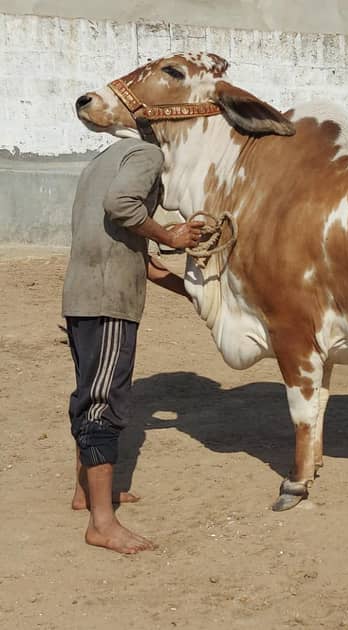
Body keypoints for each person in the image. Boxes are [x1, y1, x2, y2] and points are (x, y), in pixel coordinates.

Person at [62, 137, 204, 554]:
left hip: (83, 296)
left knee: (89, 392)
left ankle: (85, 493)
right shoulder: (147, 154)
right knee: (103, 402)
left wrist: (201, 297)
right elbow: (122, 205)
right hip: (108, 300)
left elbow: (145, 262)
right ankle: (102, 524)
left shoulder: (101, 162)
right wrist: (172, 237)